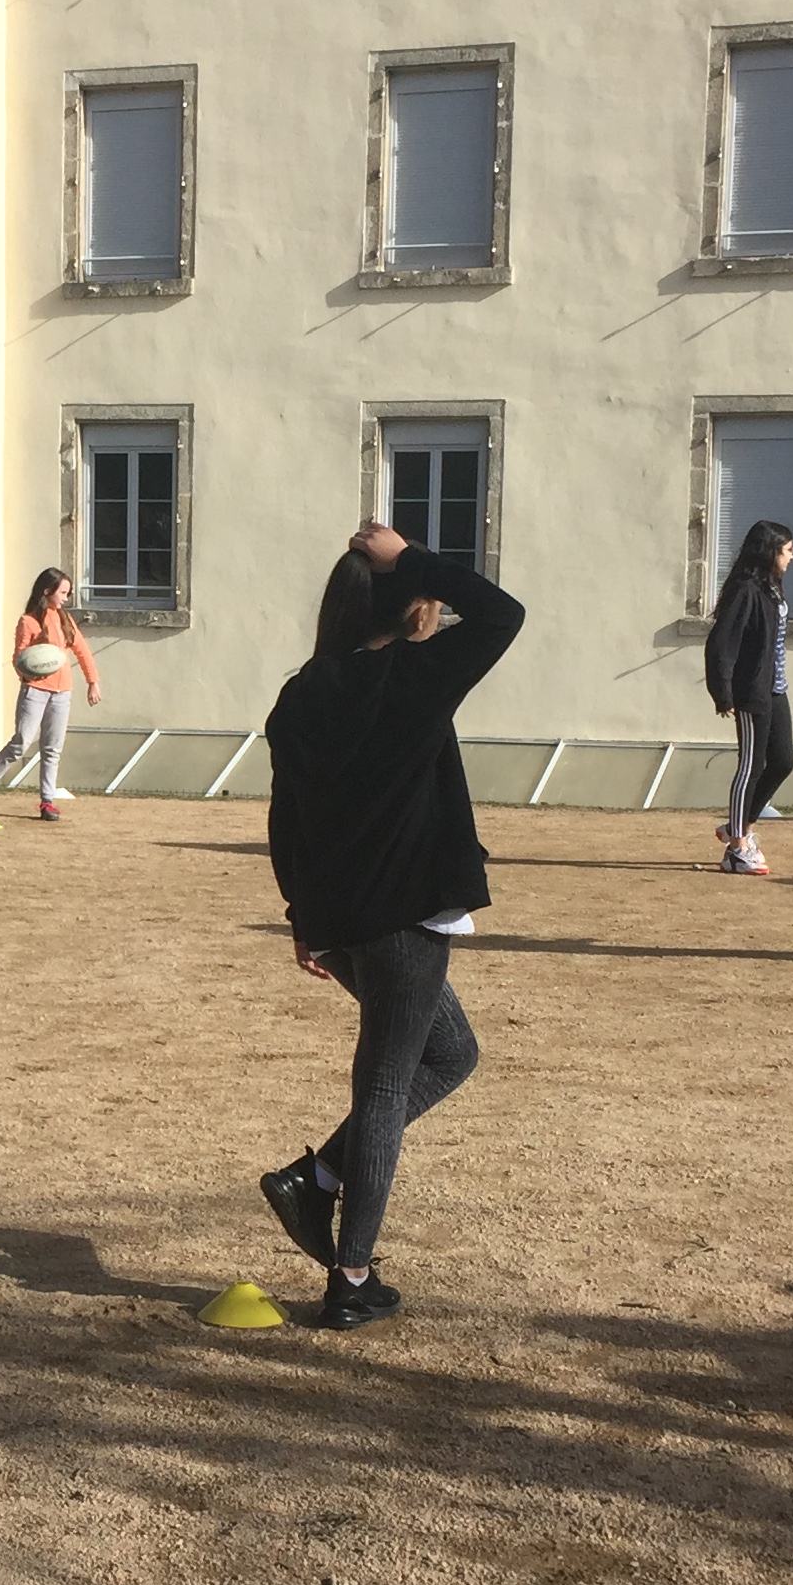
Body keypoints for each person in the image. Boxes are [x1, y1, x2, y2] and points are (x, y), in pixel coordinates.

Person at [258, 522, 528, 1329]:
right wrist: (412, 558)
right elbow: (503, 614)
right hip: (403, 917)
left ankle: (318, 1179)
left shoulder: (303, 693)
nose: (440, 614)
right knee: (383, 1085)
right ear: (413, 608)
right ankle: (350, 1276)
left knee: (451, 1053)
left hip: (341, 917)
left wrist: (301, 918)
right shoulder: (414, 677)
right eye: (428, 603)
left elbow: (285, 821)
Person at [0, 569, 101, 822]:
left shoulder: (65, 620)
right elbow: (19, 657)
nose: (66, 598)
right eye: (63, 592)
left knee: (52, 749)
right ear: (47, 591)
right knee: (21, 743)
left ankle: (47, 802)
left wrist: (93, 682)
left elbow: (82, 651)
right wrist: (28, 675)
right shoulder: (28, 621)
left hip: (62, 694)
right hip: (35, 691)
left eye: (68, 593)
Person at [704, 519, 793, 878]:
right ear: (770, 551)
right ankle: (737, 849)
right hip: (751, 692)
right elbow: (721, 643)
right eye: (787, 550)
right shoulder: (745, 590)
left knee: (782, 762)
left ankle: (736, 824)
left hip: (777, 689)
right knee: (751, 766)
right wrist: (723, 692)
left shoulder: (773, 587)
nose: (792, 557)